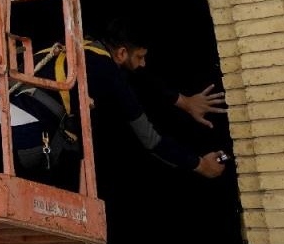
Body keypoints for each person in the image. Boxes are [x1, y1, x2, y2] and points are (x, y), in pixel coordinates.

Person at [85, 19, 226, 180]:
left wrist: (184, 102)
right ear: (122, 53)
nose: (143, 63)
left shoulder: (87, 45)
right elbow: (151, 140)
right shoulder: (111, 76)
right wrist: (202, 165)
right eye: (140, 57)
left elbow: (142, 78)